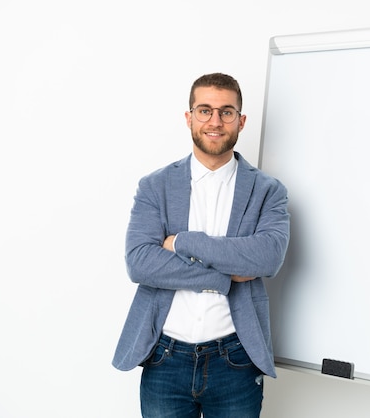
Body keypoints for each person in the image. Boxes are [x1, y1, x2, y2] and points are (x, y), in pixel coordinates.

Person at [112, 72, 290, 418]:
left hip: (236, 359)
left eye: (226, 112)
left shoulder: (269, 191)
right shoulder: (155, 186)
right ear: (189, 117)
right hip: (165, 358)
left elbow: (267, 257)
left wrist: (182, 241)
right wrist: (223, 277)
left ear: (241, 121)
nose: (215, 121)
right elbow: (140, 263)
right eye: (205, 110)